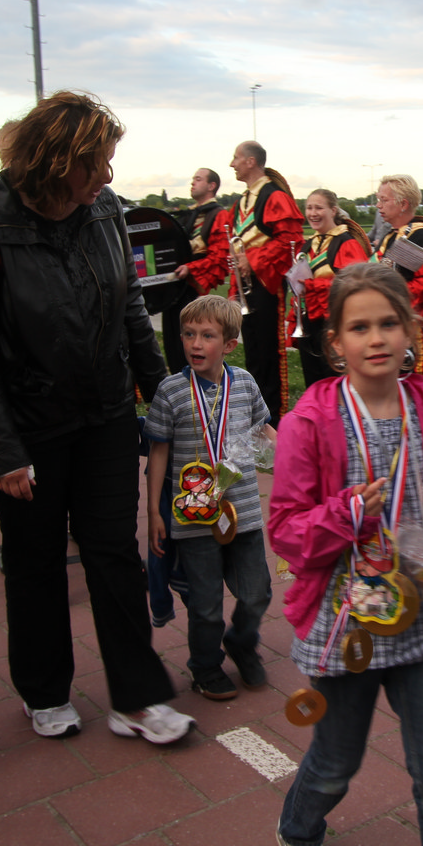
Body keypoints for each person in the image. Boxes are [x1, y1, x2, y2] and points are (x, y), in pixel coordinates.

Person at [0, 91, 193, 748]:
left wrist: (161, 394)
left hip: (104, 410)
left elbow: (130, 307)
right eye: (95, 163)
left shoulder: (105, 210)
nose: (107, 176)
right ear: (55, 162)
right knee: (35, 559)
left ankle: (137, 697)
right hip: (23, 423)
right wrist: (2, 450)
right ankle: (44, 688)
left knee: (113, 551)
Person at [270, 263, 423, 846]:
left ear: (413, 329)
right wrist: (344, 513)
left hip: (421, 606)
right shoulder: (309, 420)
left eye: (389, 323)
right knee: (337, 760)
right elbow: (285, 531)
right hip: (347, 619)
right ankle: (299, 828)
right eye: (359, 327)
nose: (376, 339)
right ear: (335, 343)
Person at [143, 295, 276, 701]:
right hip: (194, 514)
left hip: (243, 511)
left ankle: (241, 641)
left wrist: (297, 459)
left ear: (230, 344)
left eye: (207, 336)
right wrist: (153, 511)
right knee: (204, 603)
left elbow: (264, 433)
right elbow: (158, 451)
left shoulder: (245, 383)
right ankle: (204, 666)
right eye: (188, 334)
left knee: (257, 592)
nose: (195, 344)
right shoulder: (171, 391)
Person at [177, 141, 302, 424]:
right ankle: (257, 414)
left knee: (269, 353)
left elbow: (290, 240)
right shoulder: (242, 201)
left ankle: (274, 419)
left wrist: (252, 260)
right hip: (246, 285)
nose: (231, 164)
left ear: (250, 161)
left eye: (236, 158)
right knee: (253, 354)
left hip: (266, 285)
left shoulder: (274, 195)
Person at [371, 174, 423, 375]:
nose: (378, 205)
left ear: (403, 204)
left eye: (383, 200)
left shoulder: (417, 236)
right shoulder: (392, 235)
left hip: (406, 330)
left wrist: (387, 298)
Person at [294, 189, 370, 386]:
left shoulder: (347, 243)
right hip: (310, 322)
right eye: (309, 208)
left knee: (337, 381)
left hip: (335, 324)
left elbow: (356, 284)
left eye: (319, 208)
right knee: (313, 382)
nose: (313, 213)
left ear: (333, 211)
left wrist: (312, 286)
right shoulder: (307, 245)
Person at [163, 167, 226, 373]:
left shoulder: (218, 214)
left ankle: (196, 387)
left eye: (198, 179)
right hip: (172, 287)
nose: (193, 182)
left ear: (211, 186)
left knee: (190, 345)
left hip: (192, 288)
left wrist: (191, 268)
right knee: (172, 342)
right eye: (193, 179)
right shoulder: (187, 214)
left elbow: (219, 257)